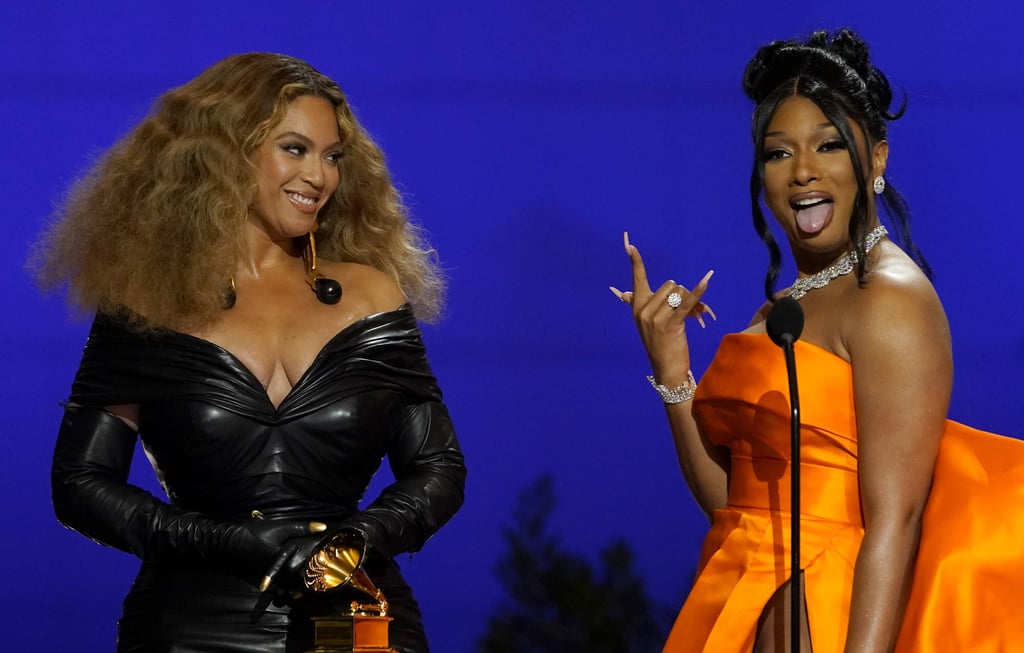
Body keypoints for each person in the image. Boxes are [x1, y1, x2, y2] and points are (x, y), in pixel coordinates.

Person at [34, 53, 466, 653]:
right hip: (190, 625)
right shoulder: (148, 302)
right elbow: (81, 483)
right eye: (295, 149)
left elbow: (438, 468)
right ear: (225, 154)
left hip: (354, 619)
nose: (319, 176)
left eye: (332, 156)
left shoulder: (372, 295)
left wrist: (356, 544)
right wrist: (224, 543)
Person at [613, 28, 1024, 653]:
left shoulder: (888, 298)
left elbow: (897, 520)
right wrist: (672, 370)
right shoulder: (784, 307)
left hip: (831, 615)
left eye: (829, 145)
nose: (803, 171)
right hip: (741, 605)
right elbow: (737, 508)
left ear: (876, 160)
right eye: (779, 153)